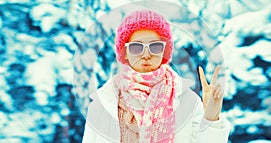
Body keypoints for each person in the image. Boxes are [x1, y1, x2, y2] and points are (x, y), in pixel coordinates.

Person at [82, 9, 230, 143]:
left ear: (164, 50)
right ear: (124, 52)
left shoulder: (188, 100)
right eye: (136, 47)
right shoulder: (102, 103)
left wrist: (211, 119)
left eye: (155, 46)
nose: (146, 55)